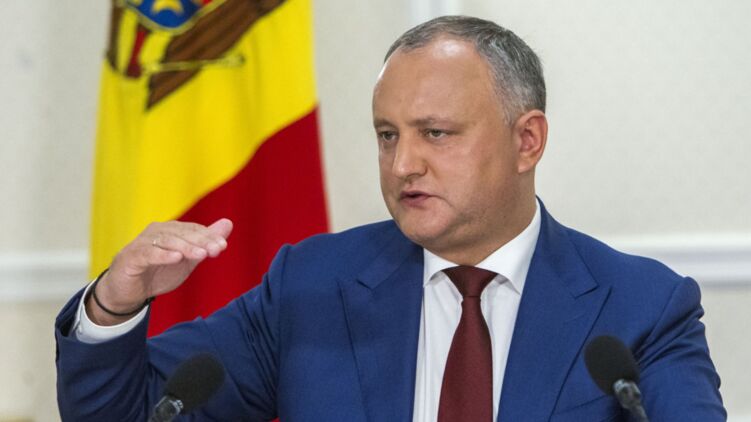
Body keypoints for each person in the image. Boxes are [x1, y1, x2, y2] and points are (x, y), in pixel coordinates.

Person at [55, 16, 725, 421]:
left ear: (527, 141)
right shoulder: (311, 286)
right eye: (386, 135)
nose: (402, 164)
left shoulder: (641, 308)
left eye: (435, 133)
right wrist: (114, 304)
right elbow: (130, 415)